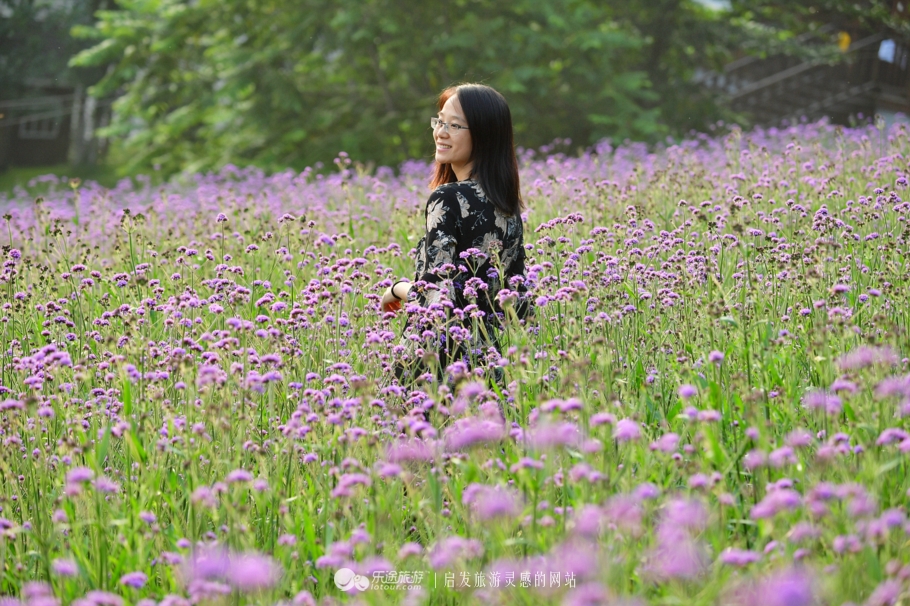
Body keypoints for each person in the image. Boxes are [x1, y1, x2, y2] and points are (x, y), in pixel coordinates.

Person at [379, 83, 531, 386]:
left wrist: (397, 289)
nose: (441, 132)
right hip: (485, 369)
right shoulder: (508, 207)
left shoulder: (447, 198)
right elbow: (516, 303)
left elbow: (437, 302)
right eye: (439, 121)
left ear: (483, 135)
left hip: (434, 368)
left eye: (455, 125)